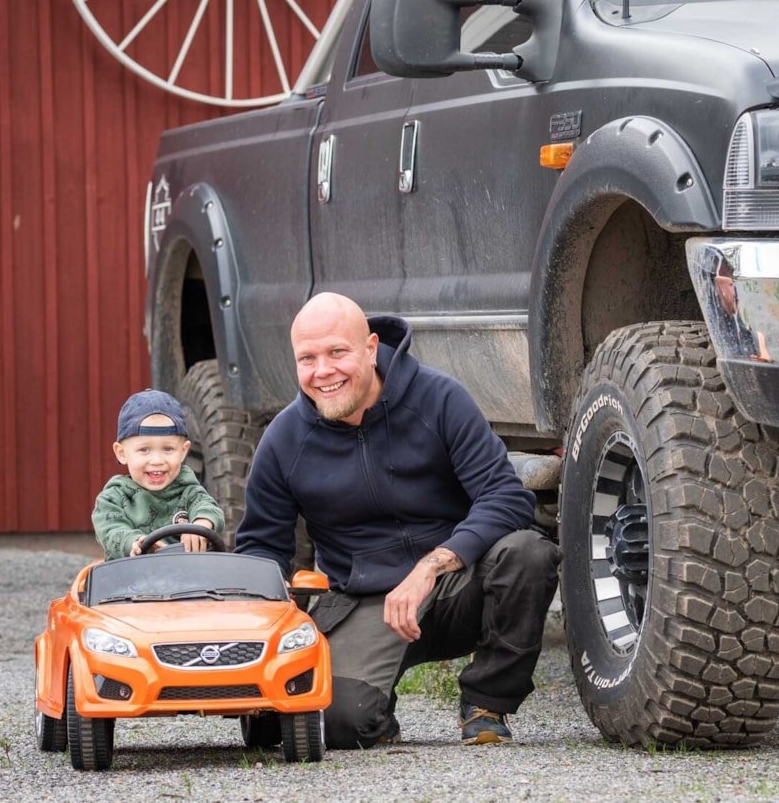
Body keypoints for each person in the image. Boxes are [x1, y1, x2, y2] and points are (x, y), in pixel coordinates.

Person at [235, 293, 560, 748]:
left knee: (528, 552)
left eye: (336, 353)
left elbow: (506, 497)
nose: (322, 371)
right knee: (338, 723)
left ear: (370, 348)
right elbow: (260, 549)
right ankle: (374, 710)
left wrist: (431, 566)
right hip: (365, 602)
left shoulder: (440, 398)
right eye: (307, 358)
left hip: (454, 585)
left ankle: (487, 701)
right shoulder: (283, 441)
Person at [92, 389, 225, 560]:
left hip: (187, 578)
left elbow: (208, 508)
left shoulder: (188, 490)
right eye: (144, 450)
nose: (157, 460)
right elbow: (110, 530)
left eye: (168, 449)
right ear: (121, 453)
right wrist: (133, 542)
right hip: (131, 579)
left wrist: (202, 524)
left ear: (183, 451)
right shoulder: (113, 498)